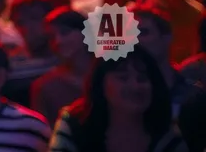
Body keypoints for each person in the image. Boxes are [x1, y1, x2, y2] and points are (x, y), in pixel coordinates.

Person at [49, 45, 187, 152]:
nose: (135, 86)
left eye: (142, 78)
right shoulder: (73, 125)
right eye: (123, 78)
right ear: (100, 84)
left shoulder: (167, 131)